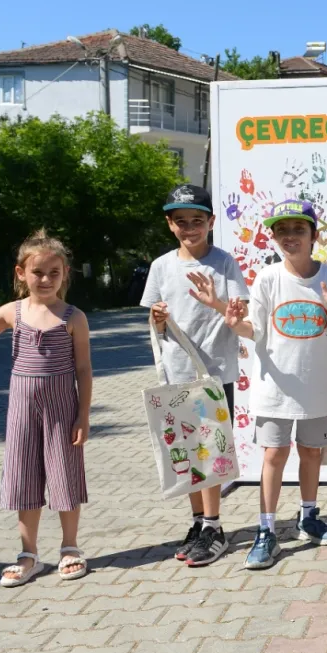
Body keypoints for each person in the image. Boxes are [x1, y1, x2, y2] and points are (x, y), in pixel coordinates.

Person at [0, 231, 92, 586]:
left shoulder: (73, 317)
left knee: (64, 476)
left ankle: (70, 547)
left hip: (62, 409)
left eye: (54, 273)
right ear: (21, 273)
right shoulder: (12, 312)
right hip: (23, 410)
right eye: (38, 272)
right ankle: (28, 555)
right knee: (25, 477)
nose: (46, 279)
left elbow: (84, 369)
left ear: (65, 274)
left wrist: (83, 415)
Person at [223, 199, 327, 570]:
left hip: (317, 386)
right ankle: (266, 531)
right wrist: (236, 325)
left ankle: (308, 518)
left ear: (315, 235)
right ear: (274, 237)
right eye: (282, 230)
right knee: (274, 456)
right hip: (274, 389)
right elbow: (255, 330)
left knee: (311, 454)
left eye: (298, 229)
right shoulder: (267, 278)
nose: (290, 236)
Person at [141, 184, 249, 567]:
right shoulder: (161, 266)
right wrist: (156, 318)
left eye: (197, 220)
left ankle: (215, 527)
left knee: (211, 449)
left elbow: (237, 313)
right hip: (177, 373)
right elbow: (155, 318)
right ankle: (199, 522)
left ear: (211, 222)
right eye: (181, 221)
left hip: (214, 373)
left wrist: (215, 302)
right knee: (186, 452)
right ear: (170, 224)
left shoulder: (224, 263)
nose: (190, 228)